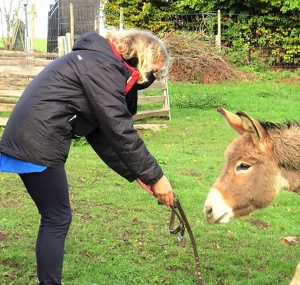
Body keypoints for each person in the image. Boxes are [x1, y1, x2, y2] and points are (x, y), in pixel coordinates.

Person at [0, 29, 175, 285]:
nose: (151, 78)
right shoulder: (102, 67)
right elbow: (119, 128)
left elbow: (101, 133)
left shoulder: (99, 61)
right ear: (140, 59)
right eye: (153, 71)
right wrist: (156, 176)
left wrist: (135, 171)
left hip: (33, 136)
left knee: (55, 216)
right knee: (56, 217)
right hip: (38, 140)